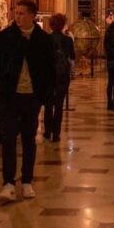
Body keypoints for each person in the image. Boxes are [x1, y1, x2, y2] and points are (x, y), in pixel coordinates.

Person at [0, 0, 56, 201]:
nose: (18, 17)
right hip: (9, 98)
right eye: (16, 13)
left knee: (29, 140)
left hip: (31, 98)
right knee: (8, 139)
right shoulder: (4, 38)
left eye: (22, 14)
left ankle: (26, 181)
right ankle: (8, 182)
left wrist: (43, 96)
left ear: (33, 16)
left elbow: (50, 71)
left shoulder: (43, 40)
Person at [43, 13, 74, 143]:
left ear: (51, 24)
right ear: (62, 25)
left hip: (48, 76)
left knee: (48, 105)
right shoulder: (67, 40)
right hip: (62, 76)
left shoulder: (46, 39)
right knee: (59, 105)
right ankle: (56, 134)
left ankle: (47, 131)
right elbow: (72, 57)